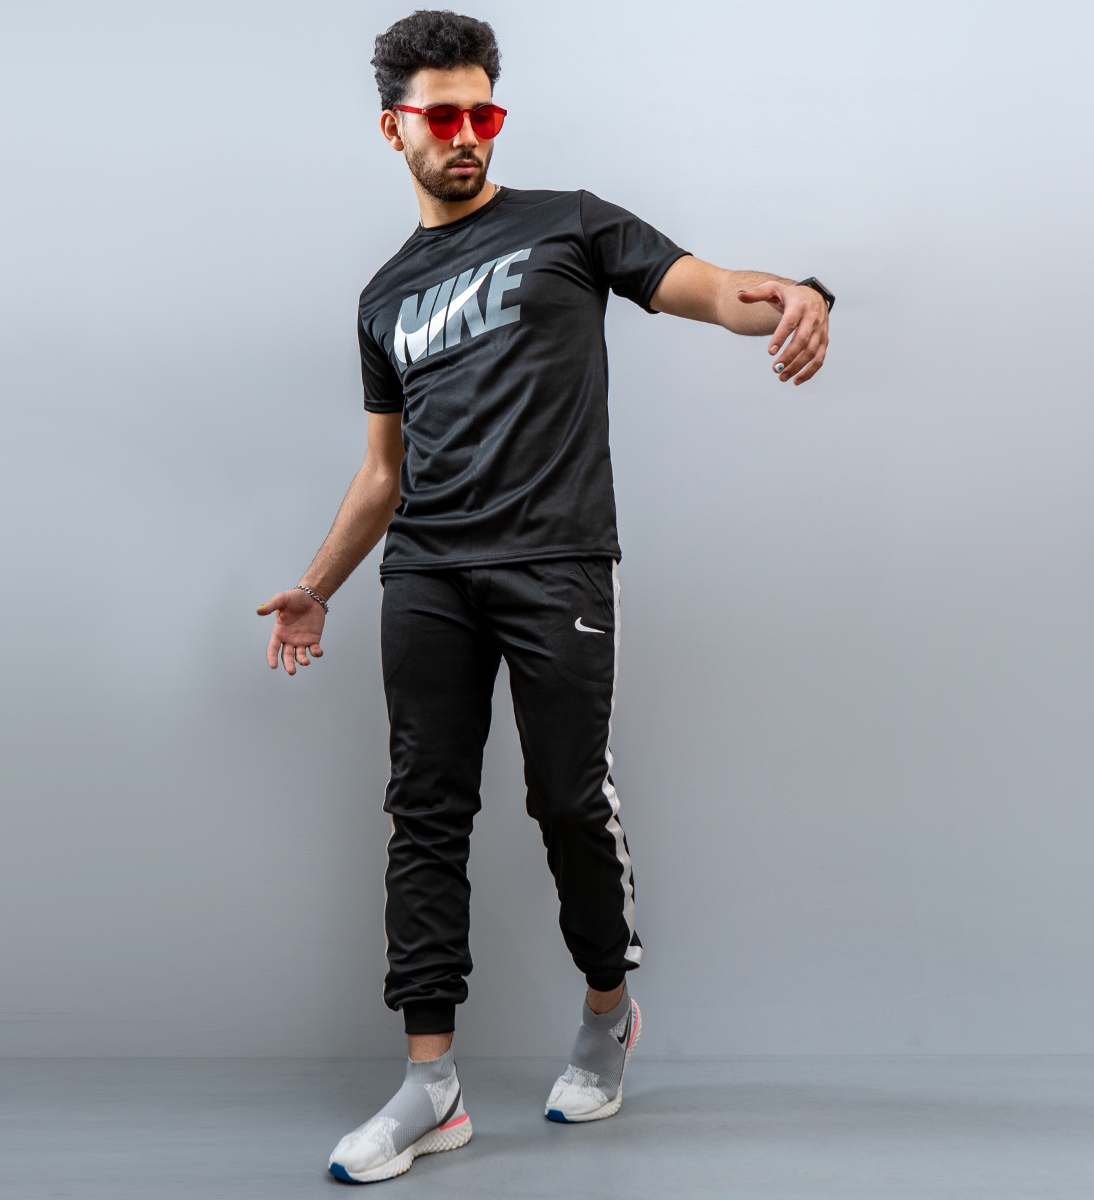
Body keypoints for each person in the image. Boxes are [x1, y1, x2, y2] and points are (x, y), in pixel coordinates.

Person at [256, 10, 833, 1184]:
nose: (468, 134)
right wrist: (316, 587)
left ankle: (608, 1008)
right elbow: (382, 473)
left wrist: (798, 293)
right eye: (443, 116)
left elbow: (708, 288)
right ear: (395, 128)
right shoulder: (382, 297)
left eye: (485, 112)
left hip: (555, 561)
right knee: (424, 810)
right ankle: (430, 1087)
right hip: (427, 571)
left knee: (567, 801)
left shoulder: (569, 224)